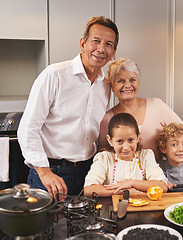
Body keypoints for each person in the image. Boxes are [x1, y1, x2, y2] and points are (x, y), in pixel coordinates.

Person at [17, 16, 119, 199]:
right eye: (96, 41)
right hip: (52, 172)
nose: (101, 49)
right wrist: (44, 172)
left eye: (108, 44)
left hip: (90, 172)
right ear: (83, 43)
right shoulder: (54, 75)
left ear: (113, 52)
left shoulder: (106, 85)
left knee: (86, 226)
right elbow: (28, 128)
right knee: (48, 227)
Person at [98, 57, 183, 182]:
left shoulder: (157, 106)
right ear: (112, 86)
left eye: (132, 80)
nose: (127, 85)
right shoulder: (107, 118)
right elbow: (102, 158)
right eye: (120, 81)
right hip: (126, 185)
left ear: (138, 82)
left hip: (160, 181)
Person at [83, 113, 168, 197]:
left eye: (131, 140)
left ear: (138, 137)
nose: (126, 147)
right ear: (110, 140)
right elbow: (89, 189)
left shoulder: (146, 156)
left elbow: (162, 186)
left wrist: (131, 183)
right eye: (120, 141)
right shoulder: (104, 158)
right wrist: (124, 192)